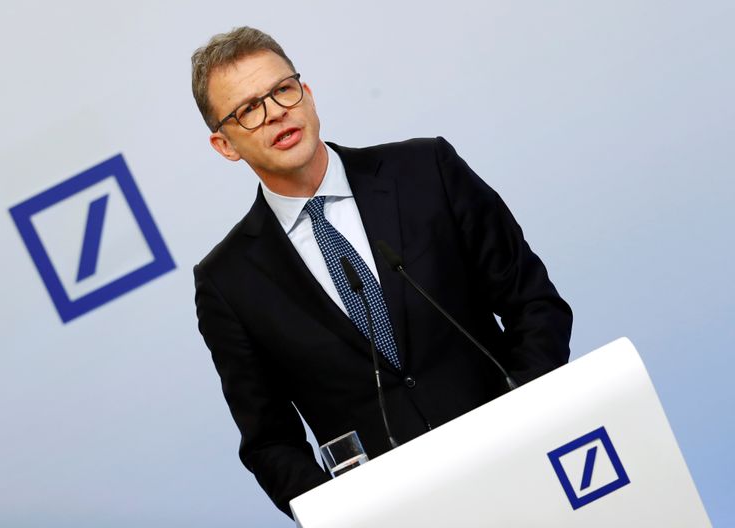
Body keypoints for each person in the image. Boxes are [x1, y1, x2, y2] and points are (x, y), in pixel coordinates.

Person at [191, 26, 572, 518]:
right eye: (248, 109)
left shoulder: (425, 170)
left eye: (282, 90)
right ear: (225, 145)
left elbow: (534, 304)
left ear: (307, 93)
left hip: (527, 466)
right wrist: (346, 513)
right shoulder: (228, 281)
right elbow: (269, 442)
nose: (276, 113)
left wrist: (522, 417)